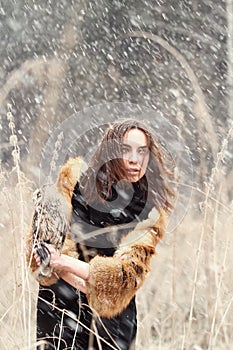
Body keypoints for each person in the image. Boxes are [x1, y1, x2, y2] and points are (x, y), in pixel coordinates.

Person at [34, 119, 176, 350]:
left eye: (142, 151)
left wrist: (62, 263)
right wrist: (66, 270)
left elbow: (122, 280)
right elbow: (39, 256)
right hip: (58, 308)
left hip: (111, 321)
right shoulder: (72, 187)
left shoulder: (149, 212)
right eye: (125, 149)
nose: (134, 159)